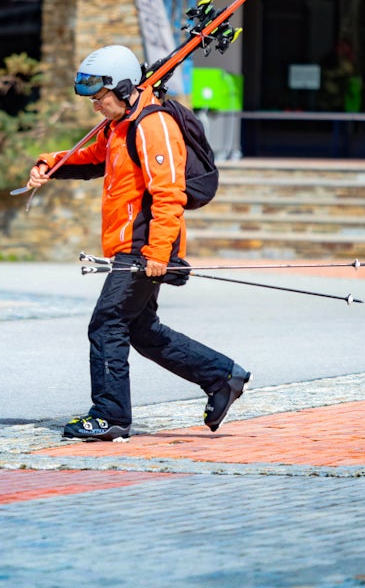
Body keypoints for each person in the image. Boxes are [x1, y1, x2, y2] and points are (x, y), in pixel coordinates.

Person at [25, 44, 250, 441]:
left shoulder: (152, 125)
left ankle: (110, 416)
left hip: (145, 246)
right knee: (141, 329)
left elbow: (169, 195)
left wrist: (159, 254)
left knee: (108, 323)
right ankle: (221, 375)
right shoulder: (120, 125)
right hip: (132, 244)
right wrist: (49, 164)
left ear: (125, 88)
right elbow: (93, 158)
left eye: (100, 98)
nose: (96, 106)